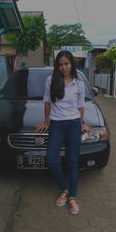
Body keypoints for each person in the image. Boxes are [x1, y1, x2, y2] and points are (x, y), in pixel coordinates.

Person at [35, 50, 92, 215]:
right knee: (51, 159)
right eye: (60, 64)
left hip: (74, 124)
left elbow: (81, 106)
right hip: (57, 124)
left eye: (66, 64)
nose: (63, 67)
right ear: (57, 66)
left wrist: (81, 123)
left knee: (72, 160)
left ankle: (73, 197)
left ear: (71, 64)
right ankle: (65, 188)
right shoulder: (50, 81)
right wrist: (46, 121)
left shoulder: (79, 84)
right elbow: (47, 102)